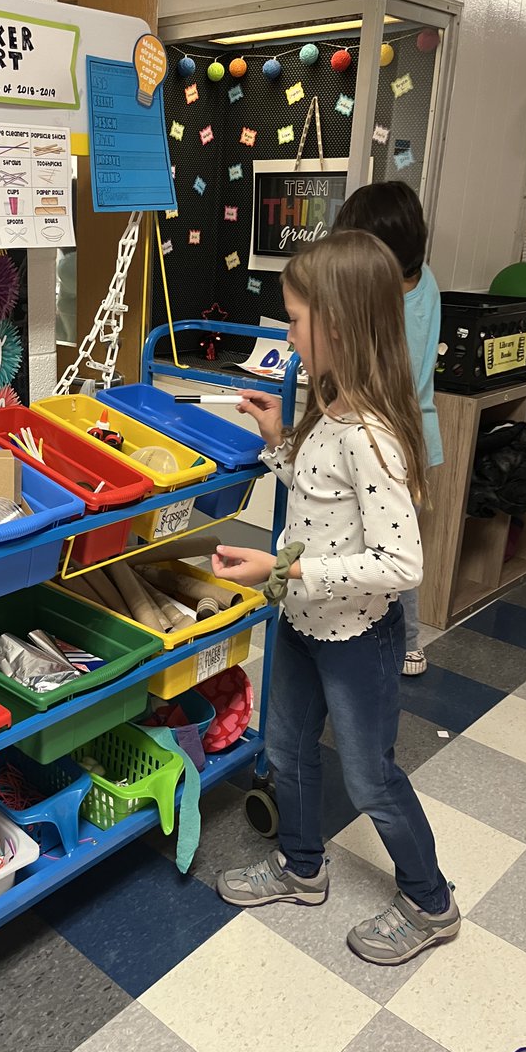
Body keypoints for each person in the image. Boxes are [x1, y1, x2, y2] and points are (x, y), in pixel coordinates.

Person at [212, 230, 459, 965]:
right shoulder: (331, 412)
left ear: (339, 325)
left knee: (369, 775)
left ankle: (430, 901)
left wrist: (284, 571)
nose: (285, 334)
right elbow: (321, 500)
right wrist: (279, 439)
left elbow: (398, 561)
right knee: (284, 751)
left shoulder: (372, 435)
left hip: (358, 639)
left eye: (293, 319)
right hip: (302, 624)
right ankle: (301, 866)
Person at [333, 181, 442, 675]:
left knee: (390, 552)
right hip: (418, 436)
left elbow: (373, 380)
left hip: (390, 440)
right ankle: (407, 643)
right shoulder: (428, 283)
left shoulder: (385, 305)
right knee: (400, 543)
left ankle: (402, 642)